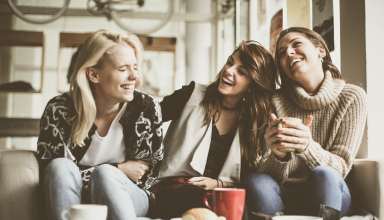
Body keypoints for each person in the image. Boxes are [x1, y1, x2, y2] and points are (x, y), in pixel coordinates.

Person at [36, 30, 163, 220]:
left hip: (130, 196)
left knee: (106, 175)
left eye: (135, 67)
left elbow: (145, 175)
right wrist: (118, 168)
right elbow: (52, 173)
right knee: (61, 167)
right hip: (73, 198)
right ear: (94, 75)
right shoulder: (59, 109)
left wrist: (104, 173)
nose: (134, 77)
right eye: (123, 69)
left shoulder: (145, 107)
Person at [246, 27, 367, 219]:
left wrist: (307, 147)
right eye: (282, 53)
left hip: (329, 194)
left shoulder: (352, 97)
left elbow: (340, 168)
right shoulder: (273, 101)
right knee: (257, 181)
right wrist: (278, 155)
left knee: (324, 175)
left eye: (296, 44)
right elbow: (261, 168)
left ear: (320, 50)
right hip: (281, 196)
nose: (289, 52)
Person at [150, 40, 278, 218]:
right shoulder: (191, 94)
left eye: (241, 72)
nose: (228, 70)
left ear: (253, 85)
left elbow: (252, 173)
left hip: (223, 194)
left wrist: (218, 184)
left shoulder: (254, 120)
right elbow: (146, 119)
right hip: (176, 189)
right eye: (230, 62)